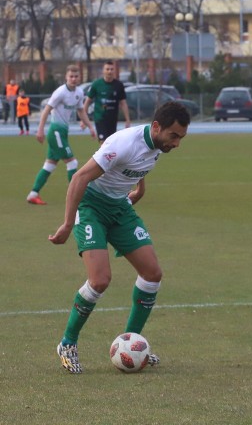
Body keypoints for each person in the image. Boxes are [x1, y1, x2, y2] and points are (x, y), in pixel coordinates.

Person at [49, 101, 191, 374]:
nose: (177, 143)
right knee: (100, 280)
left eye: (181, 138)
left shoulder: (158, 144)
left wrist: (139, 189)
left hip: (120, 207)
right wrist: (68, 224)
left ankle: (131, 343)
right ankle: (67, 343)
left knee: (152, 274)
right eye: (174, 136)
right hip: (91, 206)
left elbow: (141, 164)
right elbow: (79, 178)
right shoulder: (123, 142)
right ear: (157, 127)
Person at [26, 65, 96, 205]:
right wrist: (40, 130)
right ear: (66, 77)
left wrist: (90, 126)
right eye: (71, 76)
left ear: (79, 78)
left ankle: (33, 194)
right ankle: (76, 197)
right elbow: (46, 110)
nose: (73, 79)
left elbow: (81, 111)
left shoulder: (79, 92)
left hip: (63, 132)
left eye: (76, 76)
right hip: (56, 131)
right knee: (72, 162)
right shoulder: (60, 92)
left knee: (50, 165)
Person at [83, 60, 131, 144]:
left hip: (113, 119)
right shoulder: (96, 84)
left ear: (114, 70)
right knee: (103, 143)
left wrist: (127, 119)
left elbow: (123, 103)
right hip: (100, 118)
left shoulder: (119, 85)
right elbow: (87, 101)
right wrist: (83, 119)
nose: (109, 71)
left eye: (111, 69)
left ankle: (107, 157)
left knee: (111, 143)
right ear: (103, 70)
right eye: (107, 69)